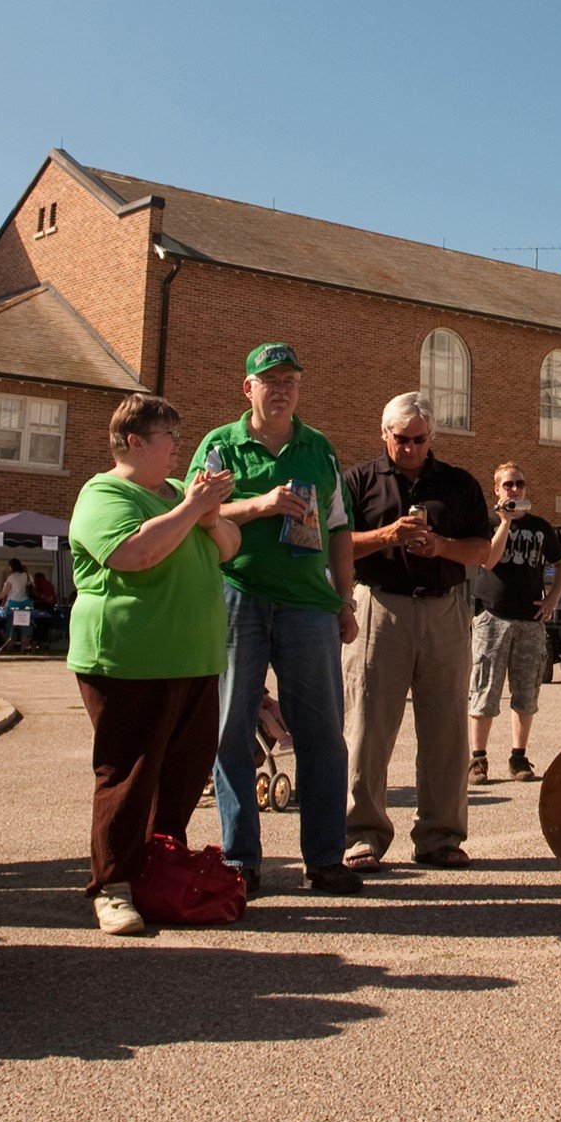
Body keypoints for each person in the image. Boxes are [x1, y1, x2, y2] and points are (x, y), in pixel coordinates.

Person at [194, 342, 361, 895]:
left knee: (321, 735)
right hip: (239, 595)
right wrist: (261, 505)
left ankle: (325, 858)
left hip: (310, 605)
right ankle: (242, 859)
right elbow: (197, 514)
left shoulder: (319, 448)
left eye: (290, 379)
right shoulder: (220, 446)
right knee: (230, 729)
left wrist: (344, 598)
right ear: (249, 388)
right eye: (270, 380)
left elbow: (338, 529)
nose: (282, 388)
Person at [71, 395, 240, 934]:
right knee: (129, 774)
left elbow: (229, 548)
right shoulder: (105, 493)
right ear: (134, 441)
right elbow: (133, 555)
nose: (177, 447)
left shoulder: (173, 495)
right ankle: (113, 886)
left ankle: (159, 869)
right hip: (130, 660)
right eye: (169, 436)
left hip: (193, 657)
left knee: (184, 774)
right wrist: (191, 509)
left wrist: (210, 517)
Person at [342, 392, 498, 870]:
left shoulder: (458, 483)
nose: (411, 449)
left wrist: (442, 546)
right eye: (401, 440)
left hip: (444, 611)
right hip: (379, 607)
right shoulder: (358, 481)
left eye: (420, 440)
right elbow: (335, 543)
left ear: (432, 437)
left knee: (447, 728)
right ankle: (363, 834)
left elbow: (483, 551)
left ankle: (440, 837)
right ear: (383, 434)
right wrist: (386, 536)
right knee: (367, 726)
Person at [468, 461, 561, 785]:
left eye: (519, 484)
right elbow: (489, 559)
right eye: (508, 485)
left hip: (529, 621)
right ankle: (478, 760)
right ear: (496, 489)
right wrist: (505, 522)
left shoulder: (541, 527)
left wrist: (553, 597)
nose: (515, 489)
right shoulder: (488, 522)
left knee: (526, 692)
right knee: (484, 690)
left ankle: (518, 757)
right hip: (493, 618)